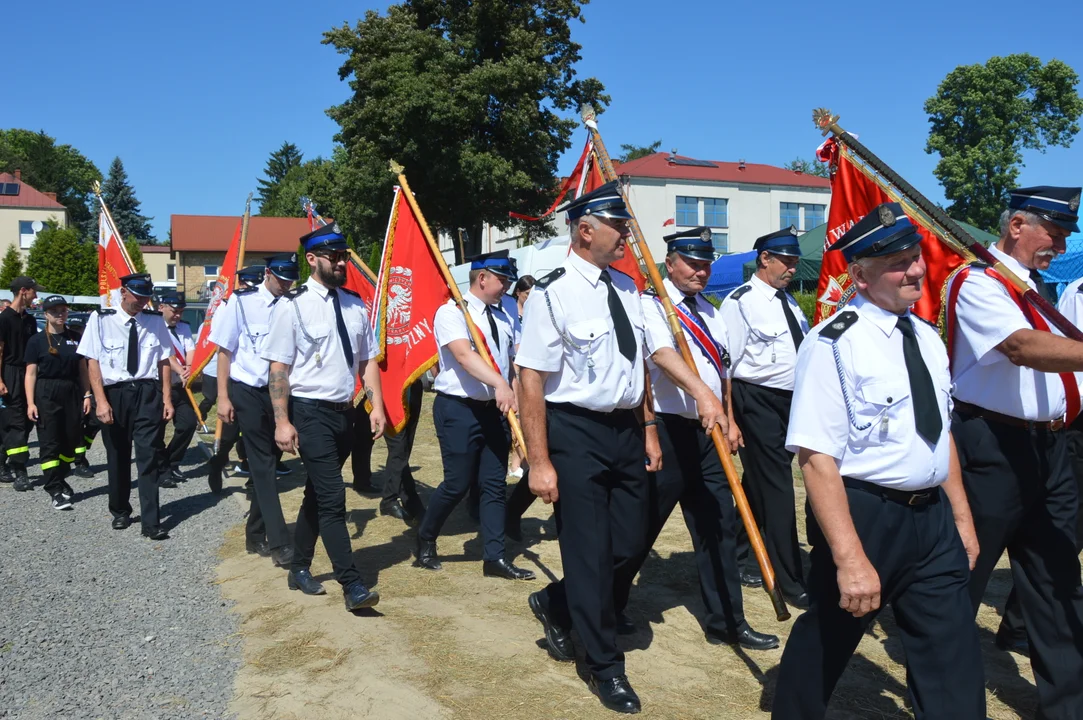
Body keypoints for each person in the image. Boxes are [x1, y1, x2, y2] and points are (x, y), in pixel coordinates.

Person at [772, 203, 984, 719]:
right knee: (827, 640)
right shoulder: (834, 344)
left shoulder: (928, 338)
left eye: (915, 257)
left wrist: (961, 519)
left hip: (932, 519)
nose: (915, 270)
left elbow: (938, 437)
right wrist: (849, 558)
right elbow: (816, 457)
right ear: (861, 276)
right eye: (897, 262)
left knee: (952, 655)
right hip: (864, 516)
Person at [516, 182, 658, 715]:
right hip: (574, 431)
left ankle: (555, 602)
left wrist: (646, 426)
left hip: (624, 429)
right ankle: (604, 666)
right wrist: (539, 460)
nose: (627, 234)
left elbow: (636, 365)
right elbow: (531, 378)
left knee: (631, 539)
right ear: (585, 230)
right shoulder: (552, 293)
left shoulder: (625, 289)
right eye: (618, 226)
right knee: (589, 551)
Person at [945, 185, 1083, 717]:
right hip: (991, 448)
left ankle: (1067, 708)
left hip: (1051, 449)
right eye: (1054, 230)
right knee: (965, 575)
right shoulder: (979, 282)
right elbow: (1020, 347)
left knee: (1057, 582)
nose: (1061, 241)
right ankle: (944, 695)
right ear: (1017, 225)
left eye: (1067, 232)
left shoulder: (1034, 288)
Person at [613, 227, 778, 650]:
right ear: (670, 263)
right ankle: (607, 607)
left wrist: (729, 416)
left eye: (706, 263)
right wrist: (704, 396)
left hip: (708, 433)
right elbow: (662, 357)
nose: (701, 271)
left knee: (718, 525)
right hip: (664, 431)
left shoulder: (711, 311)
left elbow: (722, 371)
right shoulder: (652, 306)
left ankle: (727, 620)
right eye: (692, 262)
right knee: (638, 530)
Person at [263, 223, 386, 611]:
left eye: (344, 256)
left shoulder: (354, 304)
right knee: (334, 498)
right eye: (334, 257)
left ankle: (298, 566)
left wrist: (376, 405)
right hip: (310, 412)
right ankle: (352, 585)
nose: (341, 262)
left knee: (318, 494)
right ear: (312, 259)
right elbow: (279, 369)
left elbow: (366, 361)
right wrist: (282, 421)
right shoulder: (293, 306)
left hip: (344, 414)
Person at [414, 250, 535, 580]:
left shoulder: (507, 312)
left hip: (495, 410)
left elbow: (514, 362)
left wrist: (519, 404)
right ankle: (425, 537)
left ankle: (494, 557)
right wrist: (499, 383)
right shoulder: (452, 313)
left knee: (494, 485)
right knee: (457, 483)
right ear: (482, 278)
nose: (507, 286)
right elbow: (465, 356)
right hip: (458, 408)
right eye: (502, 280)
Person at [720, 227, 809, 602]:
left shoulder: (789, 303)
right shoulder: (740, 302)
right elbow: (727, 366)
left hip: (793, 401)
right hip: (755, 399)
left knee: (760, 484)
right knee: (777, 488)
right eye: (785, 261)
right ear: (765, 259)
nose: (791, 268)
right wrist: (730, 417)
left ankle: (740, 552)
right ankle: (790, 579)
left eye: (794, 261)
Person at [210, 253, 297, 567]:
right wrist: (223, 397)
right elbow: (224, 350)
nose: (287, 284)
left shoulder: (293, 303)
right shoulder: (241, 302)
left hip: (281, 393)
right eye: (282, 278)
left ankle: (254, 533)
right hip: (247, 389)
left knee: (271, 463)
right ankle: (279, 543)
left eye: (292, 279)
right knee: (262, 465)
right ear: (268, 274)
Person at [77, 273, 174, 540]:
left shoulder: (154, 322)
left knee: (148, 456)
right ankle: (120, 510)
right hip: (115, 394)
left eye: (146, 297)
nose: (142, 301)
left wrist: (166, 398)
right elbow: (92, 362)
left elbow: (164, 361)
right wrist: (101, 401)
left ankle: (151, 521)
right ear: (123, 292)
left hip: (147, 393)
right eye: (137, 296)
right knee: (118, 456)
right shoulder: (101, 320)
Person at [24, 296, 91, 510]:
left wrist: (87, 394)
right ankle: (53, 489)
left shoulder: (74, 337)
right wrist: (30, 403)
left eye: (63, 310)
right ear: (46, 315)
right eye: (54, 311)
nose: (60, 314)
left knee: (71, 440)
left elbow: (82, 370)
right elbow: (31, 374)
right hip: (46, 392)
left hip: (71, 391)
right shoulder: (36, 341)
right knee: (50, 441)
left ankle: (60, 478)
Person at [0, 276, 42, 491]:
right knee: (15, 421)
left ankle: (2, 464)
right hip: (9, 373)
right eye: (34, 291)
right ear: (23, 291)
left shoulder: (30, 320)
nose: (37, 295)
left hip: (27, 373)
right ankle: (21, 472)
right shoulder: (4, 318)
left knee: (25, 421)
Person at [157, 292, 196, 486]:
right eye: (174, 311)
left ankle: (172, 461)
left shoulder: (184, 328)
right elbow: (165, 354)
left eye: (181, 311)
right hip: (159, 386)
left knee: (188, 423)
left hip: (179, 386)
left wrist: (188, 369)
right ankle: (161, 469)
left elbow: (190, 349)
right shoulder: (155, 327)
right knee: (158, 430)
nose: (178, 315)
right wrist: (180, 369)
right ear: (161, 307)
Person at [378, 379, 425, 525]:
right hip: (390, 389)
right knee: (398, 448)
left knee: (405, 448)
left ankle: (405, 497)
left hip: (413, 386)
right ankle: (391, 499)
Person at [507, 275, 535, 481]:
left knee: (528, 419)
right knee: (517, 420)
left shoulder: (535, 311)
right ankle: (515, 463)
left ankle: (523, 462)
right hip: (516, 367)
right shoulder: (511, 312)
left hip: (531, 366)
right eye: (527, 293)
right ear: (518, 292)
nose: (530, 297)